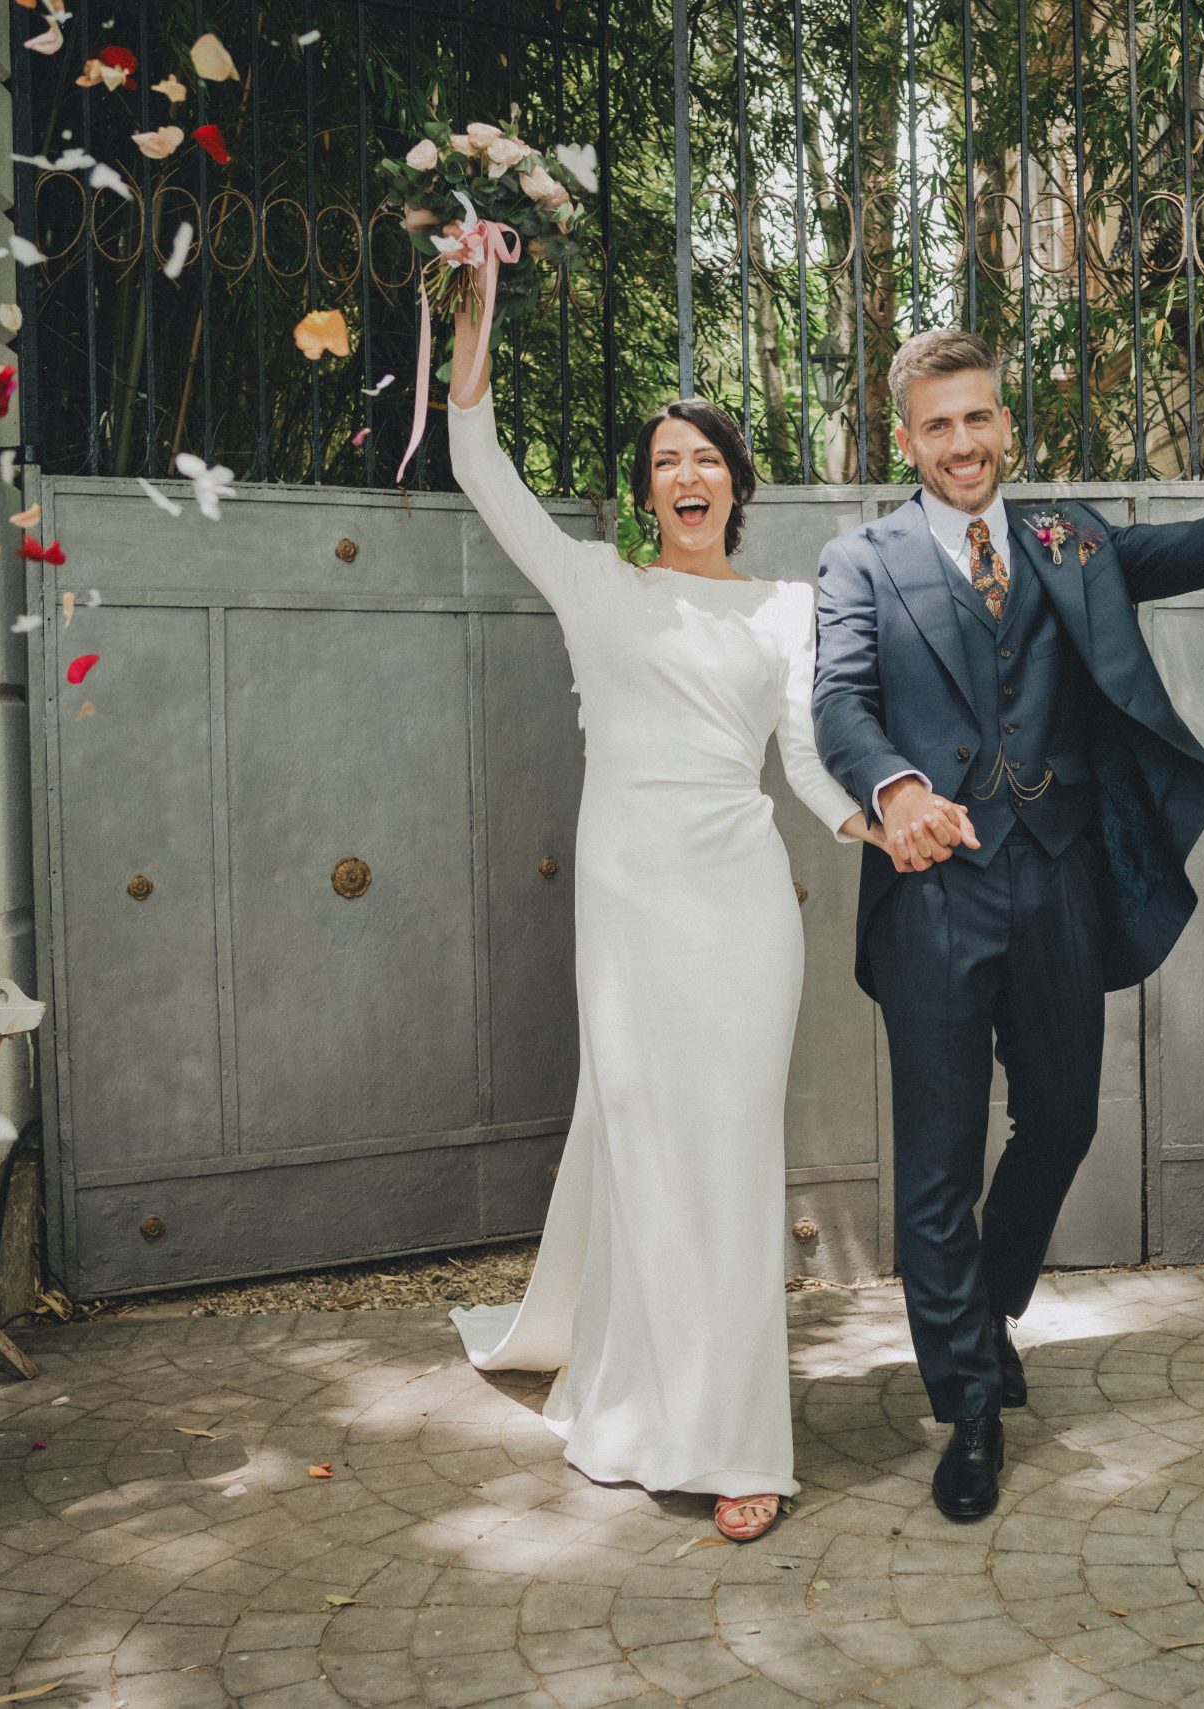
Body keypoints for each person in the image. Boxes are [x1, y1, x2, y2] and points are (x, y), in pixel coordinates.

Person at [813, 328, 1204, 1518]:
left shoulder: (1074, 536)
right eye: (938, 424)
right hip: (934, 890)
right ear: (904, 439)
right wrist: (892, 788)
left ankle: (988, 1304)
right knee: (939, 1161)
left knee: (1060, 1117)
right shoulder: (861, 560)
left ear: (1008, 425)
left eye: (980, 418)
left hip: (1054, 876)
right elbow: (839, 704)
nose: (963, 442)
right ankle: (966, 1406)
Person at [433, 288, 893, 1543]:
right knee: (647, 1149)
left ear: (735, 486)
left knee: (731, 1158)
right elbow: (478, 464)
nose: (682, 475)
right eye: (660, 463)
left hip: (741, 905)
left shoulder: (788, 608)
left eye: (703, 459)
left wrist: (866, 818)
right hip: (627, 905)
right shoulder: (594, 584)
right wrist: (476, 309)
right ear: (645, 494)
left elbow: (803, 761)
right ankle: (644, 1399)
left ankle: (739, 1436)